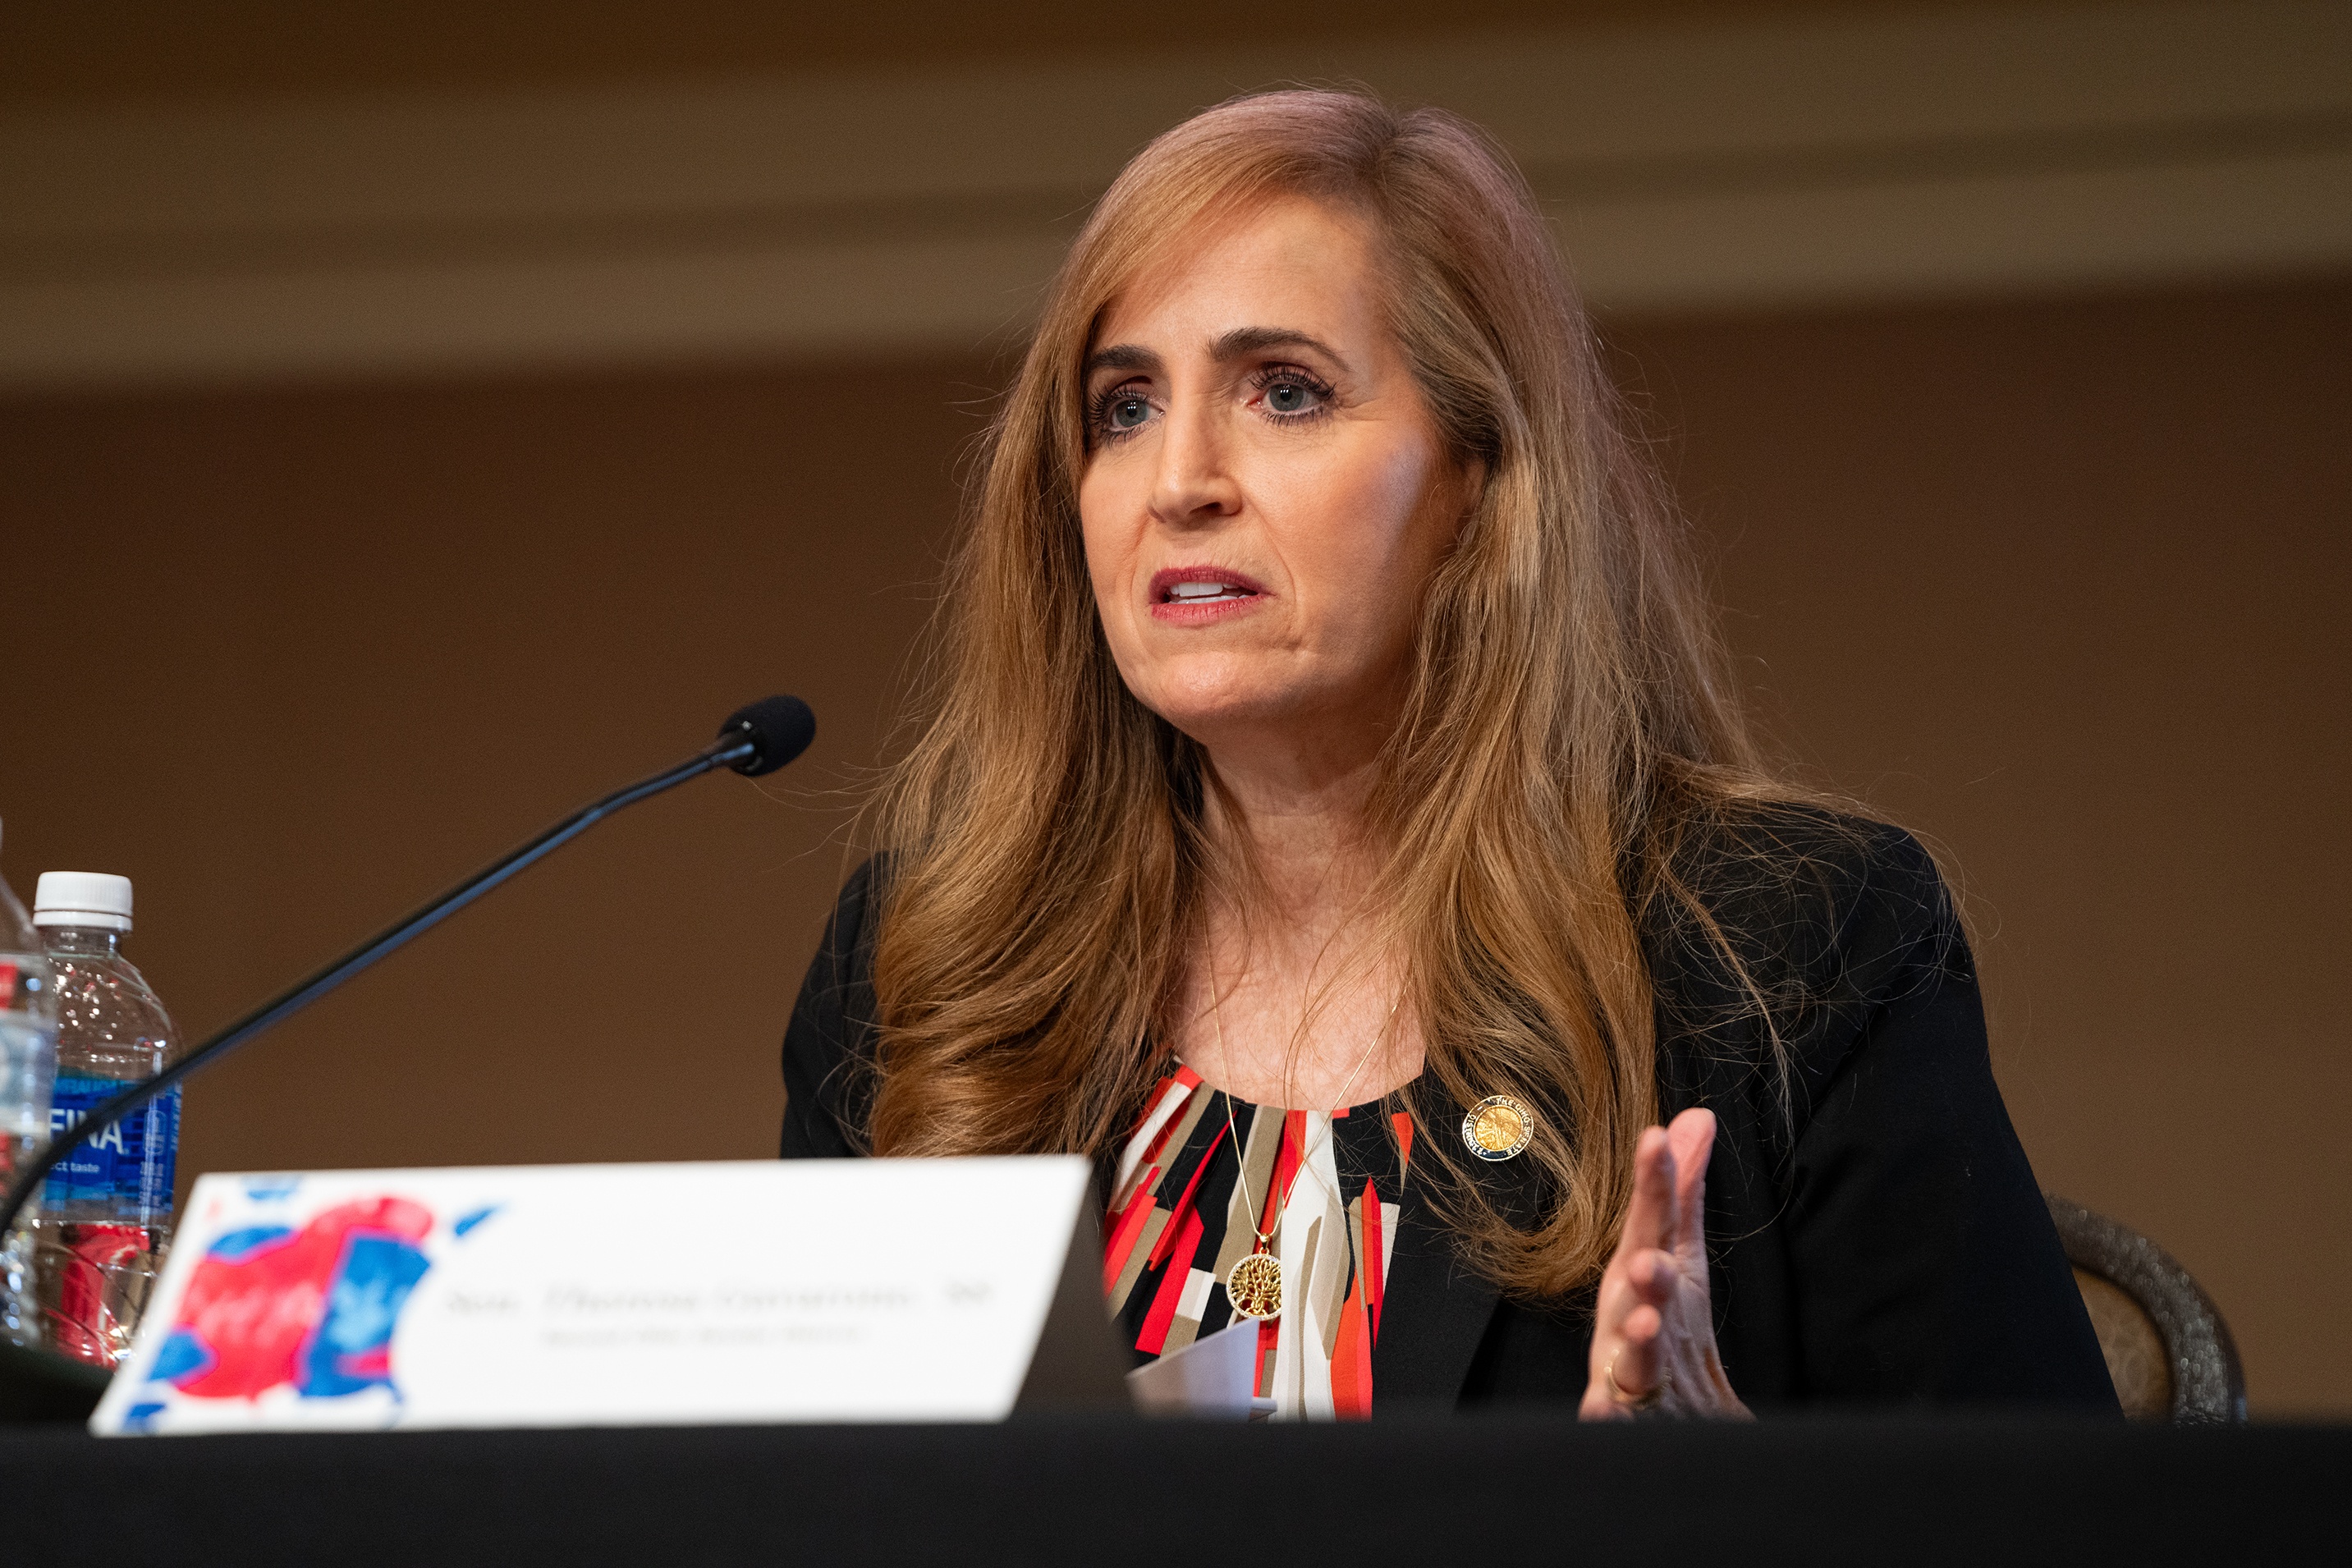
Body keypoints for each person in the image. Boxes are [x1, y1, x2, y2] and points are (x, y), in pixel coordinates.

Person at [780, 89, 2117, 1420]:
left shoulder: (1788, 954)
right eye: (1123, 406)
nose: (1180, 475)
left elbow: (2054, 1529)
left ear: (1476, 476)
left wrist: (1733, 1514)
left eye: (1284, 392)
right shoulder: (933, 968)